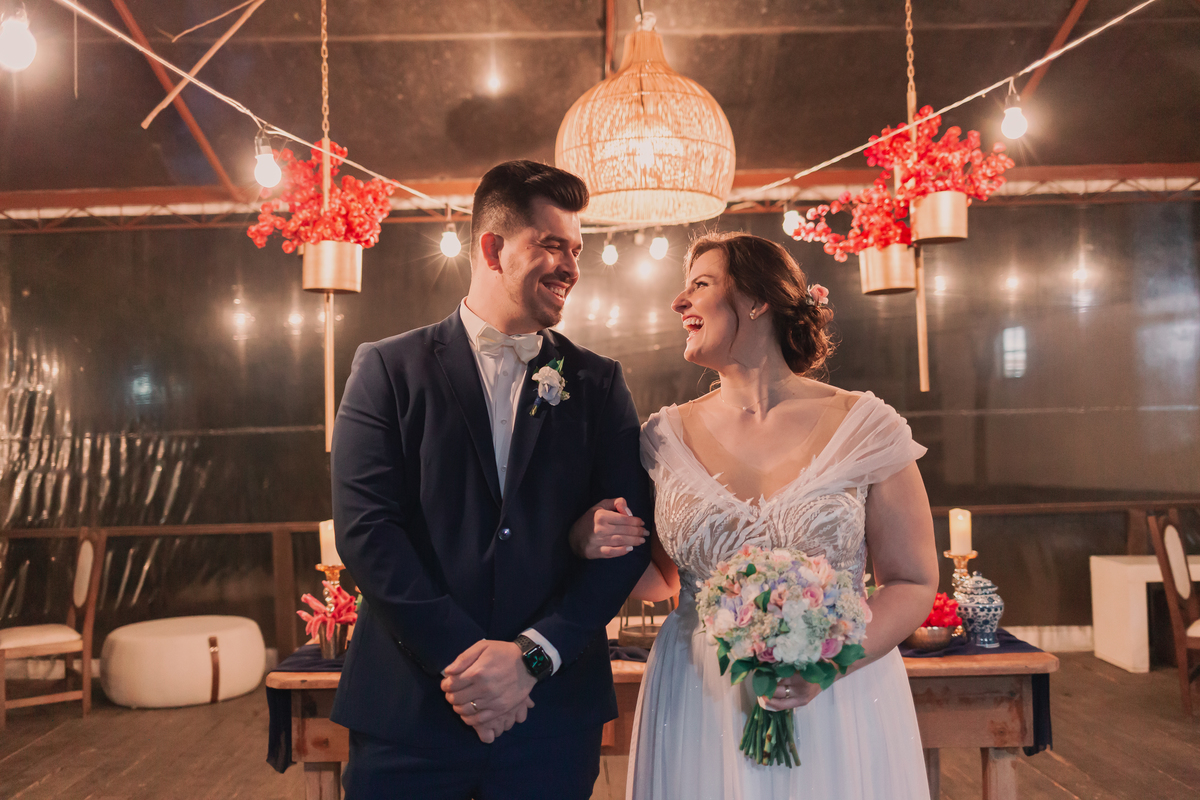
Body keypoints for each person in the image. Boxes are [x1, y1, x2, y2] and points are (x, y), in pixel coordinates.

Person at [573, 231, 939, 799]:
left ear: (757, 298)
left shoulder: (867, 427)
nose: (678, 303)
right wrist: (589, 538)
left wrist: (827, 664)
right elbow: (660, 582)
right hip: (699, 693)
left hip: (837, 695)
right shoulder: (662, 439)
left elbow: (912, 581)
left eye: (699, 285)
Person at [330, 160, 653, 799]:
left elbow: (627, 540)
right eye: (552, 245)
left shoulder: (597, 383)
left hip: (552, 718)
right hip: (411, 712)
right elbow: (367, 532)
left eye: (577, 250)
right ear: (492, 248)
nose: (571, 267)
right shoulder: (387, 369)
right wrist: (473, 669)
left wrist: (533, 657)